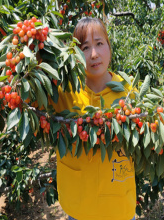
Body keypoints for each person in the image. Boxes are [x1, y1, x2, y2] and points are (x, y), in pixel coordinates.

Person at [50, 17, 136, 220]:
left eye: (99, 44)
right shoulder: (64, 91)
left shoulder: (128, 90)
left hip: (119, 206)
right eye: (85, 47)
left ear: (109, 46)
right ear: (75, 54)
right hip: (79, 207)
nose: (94, 54)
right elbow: (30, 105)